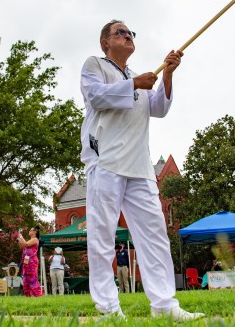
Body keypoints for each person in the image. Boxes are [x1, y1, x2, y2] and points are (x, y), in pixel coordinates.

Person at [80, 20, 204, 320]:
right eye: (120, 32)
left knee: (155, 235)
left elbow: (158, 108)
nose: (128, 36)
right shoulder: (95, 65)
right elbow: (96, 96)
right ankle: (109, 309)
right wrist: (134, 85)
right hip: (106, 160)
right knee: (102, 236)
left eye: (131, 33)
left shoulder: (140, 77)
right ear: (105, 42)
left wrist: (168, 75)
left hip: (139, 166)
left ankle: (164, 306)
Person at [17, 225, 41, 297]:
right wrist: (19, 240)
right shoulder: (29, 240)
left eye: (31, 230)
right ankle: (27, 295)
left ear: (35, 232)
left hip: (32, 261)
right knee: (25, 278)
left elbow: (26, 244)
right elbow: (21, 246)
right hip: (26, 261)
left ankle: (37, 295)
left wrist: (21, 237)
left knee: (32, 278)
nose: (29, 231)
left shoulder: (35, 239)